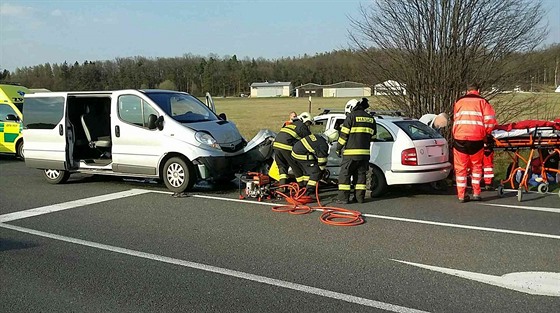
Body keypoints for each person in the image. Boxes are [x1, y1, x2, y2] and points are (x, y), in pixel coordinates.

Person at [452, 83, 497, 203]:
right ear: (479, 90)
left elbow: (456, 118)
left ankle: (461, 195)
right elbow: (490, 121)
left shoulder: (459, 101)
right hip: (476, 138)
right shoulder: (483, 102)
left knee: (460, 168)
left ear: (467, 90)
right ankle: (476, 193)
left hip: (459, 138)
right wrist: (487, 134)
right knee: (476, 166)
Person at [335, 98, 376, 204]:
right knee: (361, 176)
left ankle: (343, 199)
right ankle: (360, 198)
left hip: (351, 154)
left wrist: (338, 148)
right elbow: (373, 136)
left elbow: (343, 136)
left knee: (345, 175)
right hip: (365, 154)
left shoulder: (351, 117)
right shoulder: (371, 118)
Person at [291, 129, 339, 198]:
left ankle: (304, 186)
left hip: (295, 153)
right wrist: (322, 170)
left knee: (308, 171)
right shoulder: (323, 145)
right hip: (301, 155)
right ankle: (309, 191)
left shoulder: (317, 136)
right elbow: (322, 160)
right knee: (316, 172)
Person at [272, 112, 313, 187]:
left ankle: (283, 186)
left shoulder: (291, 124)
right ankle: (302, 185)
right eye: (308, 123)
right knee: (295, 165)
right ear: (304, 120)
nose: (308, 125)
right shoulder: (302, 126)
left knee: (282, 166)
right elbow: (310, 140)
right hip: (286, 146)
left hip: (276, 145)